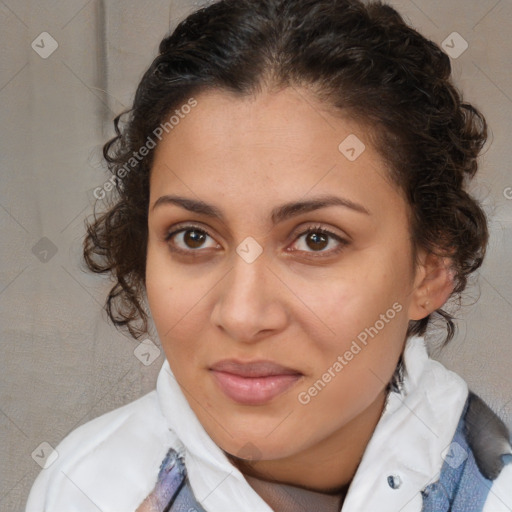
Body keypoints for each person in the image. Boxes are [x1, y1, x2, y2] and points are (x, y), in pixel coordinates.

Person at [25, 0, 512, 510]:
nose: (242, 315)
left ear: (431, 268)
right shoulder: (84, 489)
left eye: (316, 239)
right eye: (193, 237)